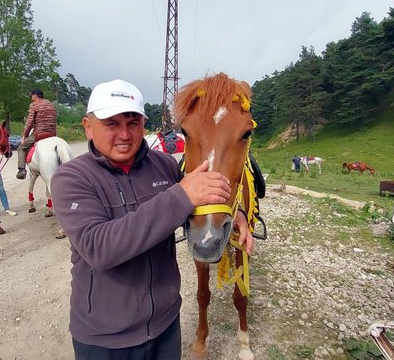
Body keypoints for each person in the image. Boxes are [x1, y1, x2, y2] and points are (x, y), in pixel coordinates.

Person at [50, 79, 254, 359]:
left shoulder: (164, 165)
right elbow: (98, 249)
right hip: (106, 339)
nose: (124, 134)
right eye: (111, 123)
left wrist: (237, 212)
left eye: (133, 123)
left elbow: (201, 200)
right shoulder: (72, 178)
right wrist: (181, 196)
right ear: (88, 126)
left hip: (166, 326)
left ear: (143, 125)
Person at [16, 88, 57, 179]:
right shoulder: (51, 104)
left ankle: (22, 170)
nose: (31, 98)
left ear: (35, 96)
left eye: (31, 96)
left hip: (39, 134)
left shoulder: (33, 105)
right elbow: (54, 120)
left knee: (21, 148)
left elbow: (29, 122)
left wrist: (24, 135)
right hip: (52, 133)